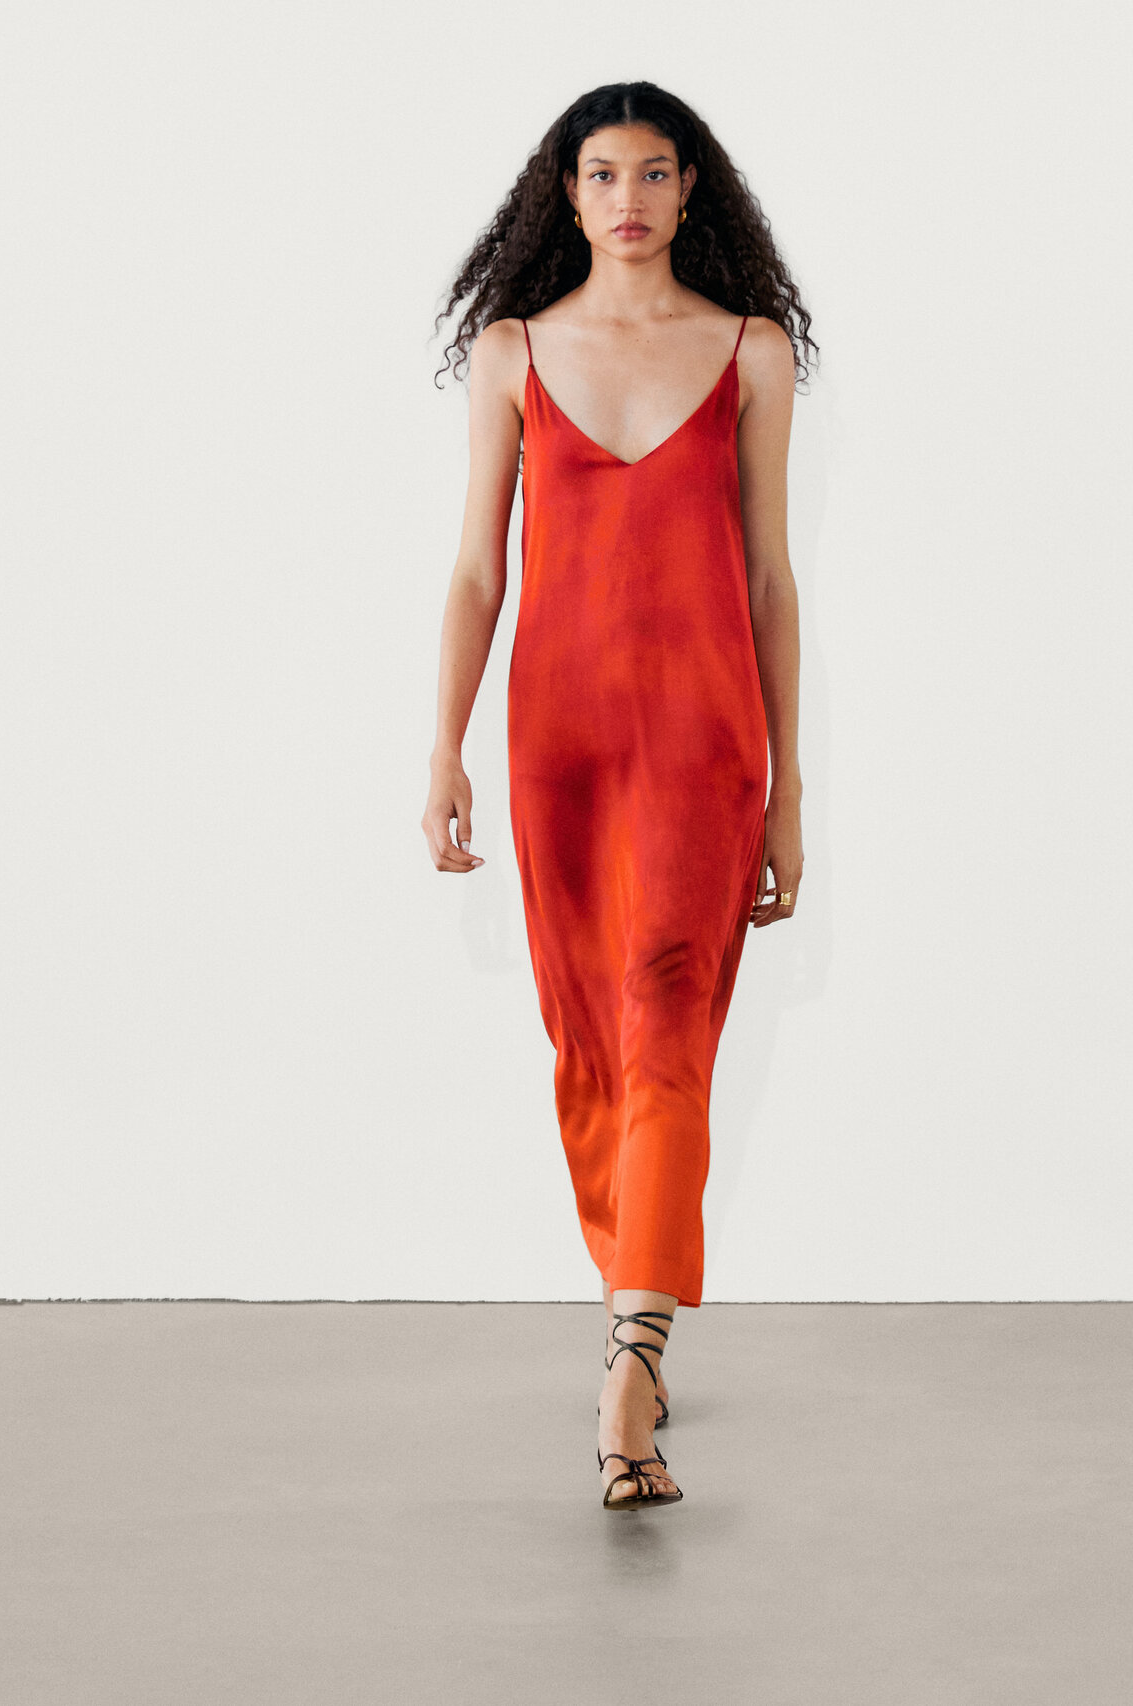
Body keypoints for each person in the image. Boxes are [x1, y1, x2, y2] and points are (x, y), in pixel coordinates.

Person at [423, 81, 814, 1512]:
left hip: (706, 744)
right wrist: (444, 748)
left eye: (656, 172)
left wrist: (789, 790)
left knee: (668, 1033)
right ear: (568, 192)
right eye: (603, 173)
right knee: (591, 1047)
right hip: (560, 746)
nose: (630, 197)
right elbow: (480, 567)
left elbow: (768, 578)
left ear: (691, 189)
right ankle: (630, 1307)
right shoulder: (512, 352)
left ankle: (632, 1365)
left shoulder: (751, 351)